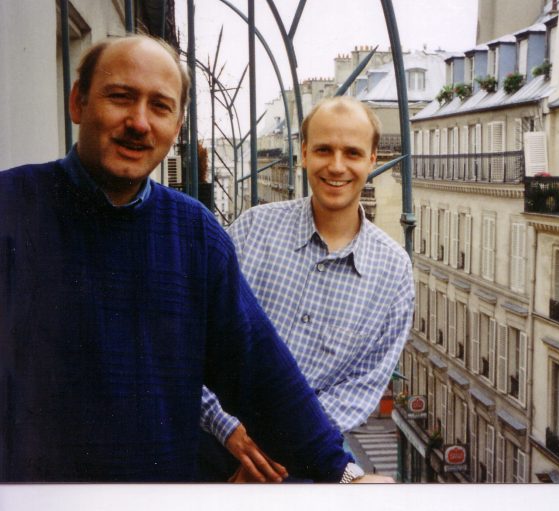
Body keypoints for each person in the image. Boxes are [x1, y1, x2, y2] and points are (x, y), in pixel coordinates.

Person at [0, 36, 382, 486]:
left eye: (160, 107)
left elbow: (260, 368)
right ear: (78, 103)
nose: (139, 122)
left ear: (178, 125)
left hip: (160, 506)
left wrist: (344, 474)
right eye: (121, 97)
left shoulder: (194, 233)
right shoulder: (12, 208)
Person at [200, 96, 414, 477]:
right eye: (323, 150)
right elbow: (192, 337)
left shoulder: (393, 273)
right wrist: (226, 428)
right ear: (302, 154)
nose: (336, 166)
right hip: (203, 442)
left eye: (352, 152)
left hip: (294, 468)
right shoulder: (253, 230)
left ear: (372, 160)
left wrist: (271, 451)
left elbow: (359, 391)